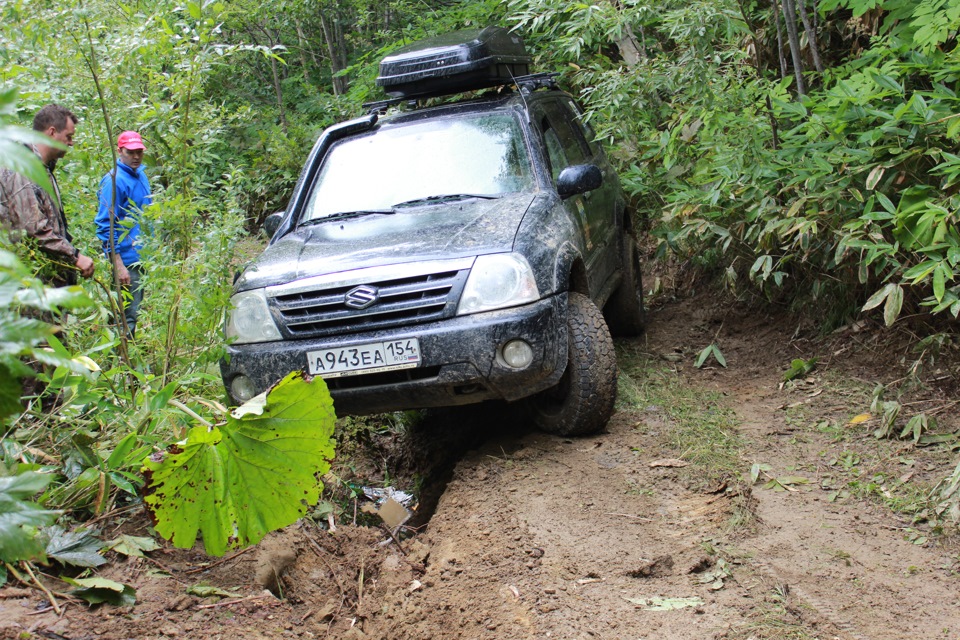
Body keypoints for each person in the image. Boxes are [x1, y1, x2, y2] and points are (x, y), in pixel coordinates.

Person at [0, 104, 95, 286]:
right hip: (29, 284)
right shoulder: (22, 169)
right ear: (52, 132)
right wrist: (74, 256)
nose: (71, 143)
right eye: (68, 136)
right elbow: (33, 228)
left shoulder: (42, 169)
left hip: (47, 280)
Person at [96, 130, 152, 337]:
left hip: (141, 257)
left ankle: (125, 359)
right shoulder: (114, 181)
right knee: (125, 316)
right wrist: (118, 265)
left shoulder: (141, 175)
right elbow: (105, 225)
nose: (136, 156)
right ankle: (121, 363)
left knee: (133, 313)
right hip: (126, 261)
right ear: (120, 151)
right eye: (131, 152)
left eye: (139, 152)